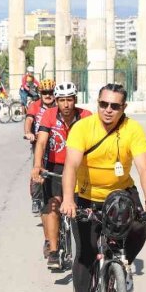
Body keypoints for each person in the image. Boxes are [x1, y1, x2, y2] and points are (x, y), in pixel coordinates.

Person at [60, 83, 146, 292]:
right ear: (97, 103)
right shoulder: (82, 127)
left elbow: (143, 168)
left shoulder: (133, 130)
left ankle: (123, 265)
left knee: (139, 226)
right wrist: (68, 200)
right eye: (103, 104)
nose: (108, 110)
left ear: (124, 108)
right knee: (86, 251)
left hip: (121, 195)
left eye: (115, 106)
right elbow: (71, 166)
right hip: (87, 196)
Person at [31, 82, 92, 268]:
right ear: (57, 101)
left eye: (69, 100)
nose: (66, 104)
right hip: (55, 166)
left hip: (80, 167)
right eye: (62, 100)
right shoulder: (49, 115)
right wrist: (37, 166)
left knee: (83, 208)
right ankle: (55, 251)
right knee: (53, 205)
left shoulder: (86, 117)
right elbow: (41, 143)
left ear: (75, 100)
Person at [23, 78, 56, 215]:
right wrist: (28, 132)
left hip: (57, 144)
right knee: (38, 169)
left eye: (50, 92)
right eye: (44, 93)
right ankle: (36, 199)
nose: (48, 95)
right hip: (39, 143)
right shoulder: (35, 106)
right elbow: (29, 119)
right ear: (40, 93)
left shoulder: (58, 105)